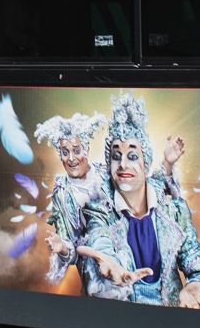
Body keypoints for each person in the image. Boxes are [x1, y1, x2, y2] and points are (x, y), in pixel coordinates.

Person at [83, 94, 200, 308]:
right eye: (115, 156)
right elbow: (99, 240)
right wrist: (111, 268)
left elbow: (196, 261)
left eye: (132, 156)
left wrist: (199, 284)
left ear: (146, 163)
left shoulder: (174, 211)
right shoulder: (100, 211)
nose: (123, 165)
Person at [36, 111, 182, 289]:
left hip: (126, 254)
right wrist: (65, 248)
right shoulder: (63, 194)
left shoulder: (106, 173)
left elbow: (145, 186)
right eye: (65, 152)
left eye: (76, 150)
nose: (71, 158)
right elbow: (72, 246)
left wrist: (167, 164)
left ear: (87, 149)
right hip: (97, 268)